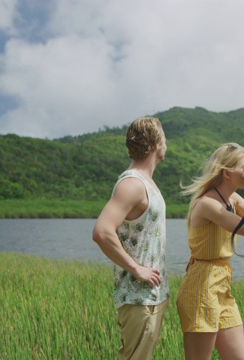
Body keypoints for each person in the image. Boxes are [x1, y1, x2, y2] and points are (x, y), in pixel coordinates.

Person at [176, 142, 244, 359]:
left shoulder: (231, 199)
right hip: (200, 287)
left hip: (222, 286)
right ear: (226, 173)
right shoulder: (207, 204)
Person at [92, 116, 170, 360]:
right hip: (138, 296)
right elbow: (102, 231)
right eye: (165, 138)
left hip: (150, 294)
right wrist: (137, 268)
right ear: (157, 143)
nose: (167, 144)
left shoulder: (146, 182)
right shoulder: (132, 184)